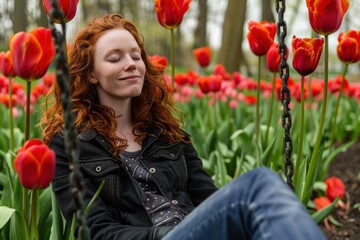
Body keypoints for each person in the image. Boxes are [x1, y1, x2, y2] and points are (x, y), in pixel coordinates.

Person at [41, 13, 326, 240]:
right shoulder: (70, 145)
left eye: (136, 56)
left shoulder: (166, 132)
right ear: (90, 74)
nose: (131, 64)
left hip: (195, 230)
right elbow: (94, 230)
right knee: (259, 182)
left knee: (260, 190)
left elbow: (207, 196)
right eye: (115, 58)